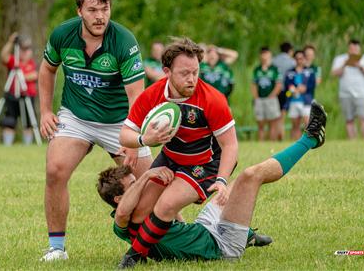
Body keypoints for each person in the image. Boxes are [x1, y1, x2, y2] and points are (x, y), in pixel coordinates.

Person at [97, 101, 327, 267]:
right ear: (117, 199)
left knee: (232, 185)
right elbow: (123, 213)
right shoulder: (123, 224)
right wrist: (147, 176)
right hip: (221, 245)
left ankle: (247, 235)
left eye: (137, 180)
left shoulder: (144, 206)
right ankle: (310, 138)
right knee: (250, 176)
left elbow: (172, 213)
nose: (139, 184)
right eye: (133, 183)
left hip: (204, 225)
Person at [38, 0, 153, 261]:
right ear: (79, 11)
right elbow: (47, 70)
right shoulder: (63, 35)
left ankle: (181, 235)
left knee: (152, 181)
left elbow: (136, 96)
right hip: (76, 117)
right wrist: (45, 111)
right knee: (55, 170)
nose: (100, 16)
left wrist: (133, 138)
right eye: (92, 9)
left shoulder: (123, 41)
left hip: (120, 121)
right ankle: (56, 249)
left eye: (105, 9)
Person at [117, 37, 239, 267]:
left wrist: (222, 180)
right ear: (166, 71)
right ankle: (234, 235)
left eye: (195, 71)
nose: (192, 78)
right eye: (184, 73)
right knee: (139, 213)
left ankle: (133, 257)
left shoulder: (213, 99)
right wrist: (144, 139)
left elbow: (230, 145)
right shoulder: (152, 96)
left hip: (205, 163)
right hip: (171, 158)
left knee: (165, 206)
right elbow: (124, 135)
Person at [331, 39, 364, 142]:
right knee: (349, 119)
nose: (353, 50)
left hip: (362, 94)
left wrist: (359, 65)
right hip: (345, 94)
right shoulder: (340, 59)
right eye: (351, 48)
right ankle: (352, 141)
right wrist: (345, 64)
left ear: (359, 49)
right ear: (348, 48)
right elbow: (334, 73)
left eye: (355, 49)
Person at [0, 32, 38, 146]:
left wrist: (21, 77)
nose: (25, 52)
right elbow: (3, 56)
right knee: (9, 121)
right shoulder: (14, 62)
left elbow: (36, 75)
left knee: (29, 123)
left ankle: (27, 145)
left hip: (27, 95)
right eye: (22, 49)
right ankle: (7, 145)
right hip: (12, 95)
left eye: (27, 49)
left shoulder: (33, 63)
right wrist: (11, 42)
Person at [251, 47, 282, 141]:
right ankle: (261, 142)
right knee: (260, 122)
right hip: (260, 99)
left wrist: (272, 95)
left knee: (272, 122)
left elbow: (278, 84)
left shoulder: (274, 69)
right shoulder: (257, 69)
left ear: (270, 55)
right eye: (262, 54)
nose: (264, 56)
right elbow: (254, 84)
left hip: (271, 99)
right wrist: (256, 97)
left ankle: (272, 142)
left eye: (266, 53)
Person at [284, 50, 316, 140]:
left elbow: (312, 85)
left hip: (306, 100)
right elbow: (287, 84)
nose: (299, 60)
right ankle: (295, 143)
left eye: (301, 58)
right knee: (295, 124)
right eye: (297, 58)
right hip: (294, 100)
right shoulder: (290, 72)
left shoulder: (309, 71)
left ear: (304, 59)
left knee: (307, 123)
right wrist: (292, 88)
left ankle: (309, 142)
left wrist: (304, 88)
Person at [273, 42, 296, 140]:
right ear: (290, 50)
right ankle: (280, 136)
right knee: (282, 114)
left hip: (275, 90)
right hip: (286, 90)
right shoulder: (292, 62)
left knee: (276, 115)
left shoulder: (274, 60)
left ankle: (277, 136)